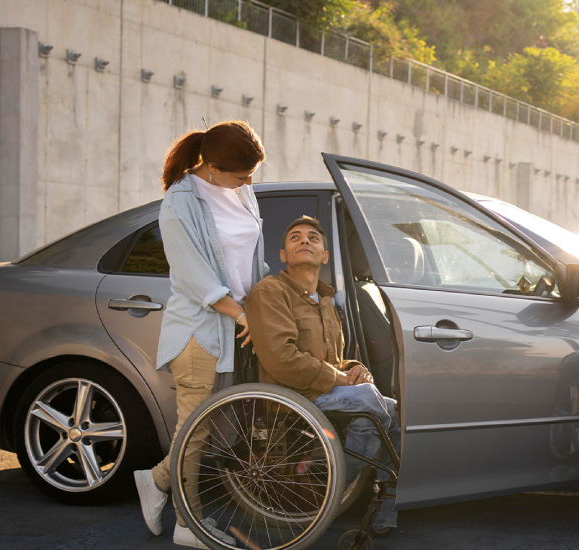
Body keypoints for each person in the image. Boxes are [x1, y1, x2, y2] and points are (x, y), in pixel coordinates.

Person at [133, 121, 267, 549]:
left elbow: (251, 261)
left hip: (237, 326)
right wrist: (240, 313)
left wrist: (260, 308)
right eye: (241, 174)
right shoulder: (180, 201)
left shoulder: (242, 191)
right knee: (195, 430)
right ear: (211, 165)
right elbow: (193, 276)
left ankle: (154, 481)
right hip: (199, 332)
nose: (249, 182)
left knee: (210, 428)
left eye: (251, 174)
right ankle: (188, 525)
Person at [244, 216, 401, 533]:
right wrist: (340, 380)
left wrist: (353, 368)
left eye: (313, 238)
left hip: (324, 389)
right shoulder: (270, 291)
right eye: (295, 237)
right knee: (370, 401)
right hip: (291, 394)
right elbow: (281, 358)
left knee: (393, 408)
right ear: (283, 255)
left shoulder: (326, 300)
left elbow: (331, 359)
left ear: (325, 256)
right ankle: (337, 486)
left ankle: (386, 497)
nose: (305, 241)